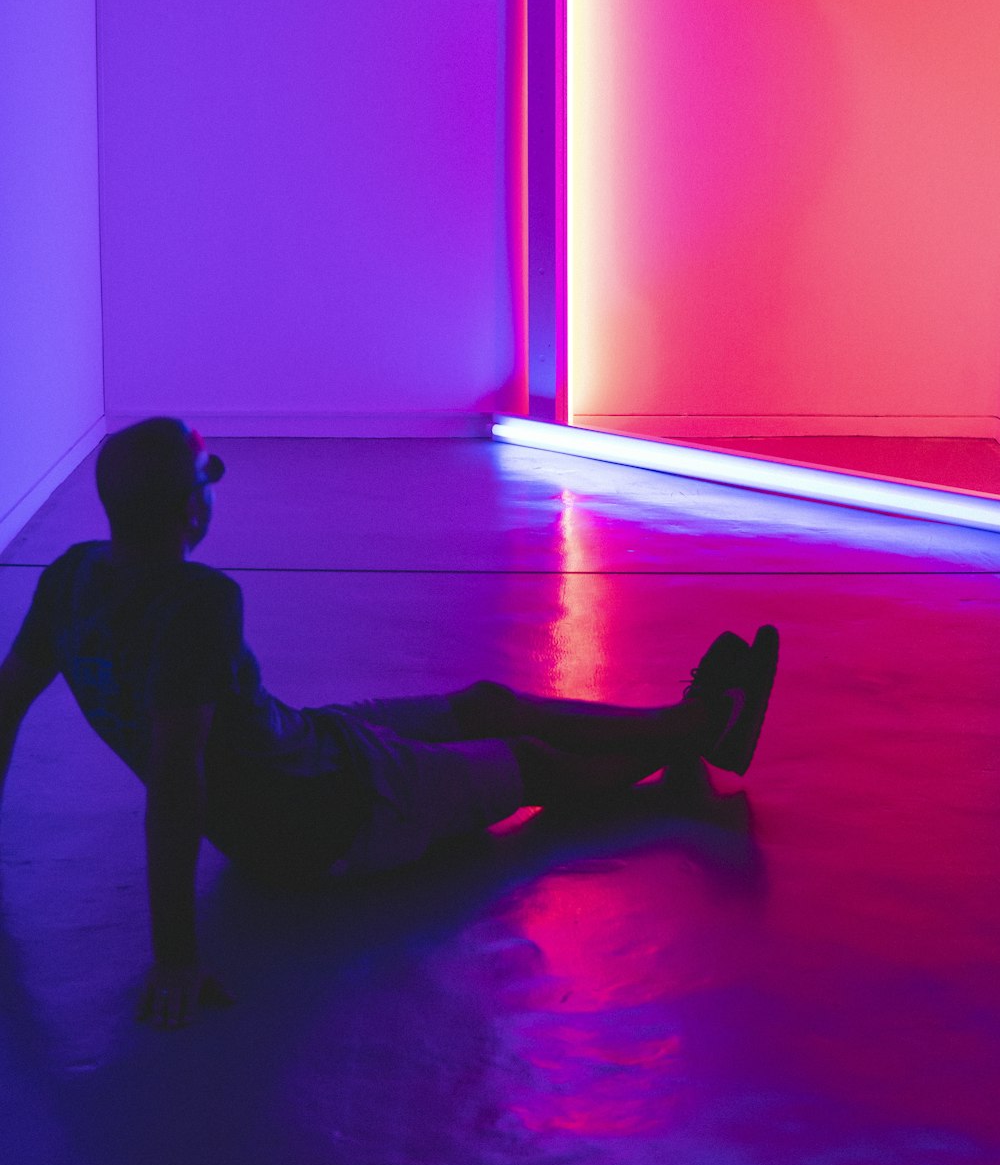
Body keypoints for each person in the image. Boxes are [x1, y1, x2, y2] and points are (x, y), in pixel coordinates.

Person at [0, 418, 779, 1031]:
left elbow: (6, 702)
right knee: (529, 760)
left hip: (309, 745)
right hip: (331, 812)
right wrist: (174, 958)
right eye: (205, 483)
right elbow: (176, 779)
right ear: (186, 507)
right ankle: (705, 728)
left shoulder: (70, 577)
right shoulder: (198, 600)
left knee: (485, 702)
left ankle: (676, 720)